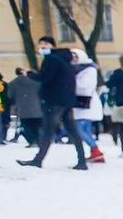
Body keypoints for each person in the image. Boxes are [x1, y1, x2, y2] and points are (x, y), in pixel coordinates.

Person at [18, 35, 87, 170]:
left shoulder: (51, 59)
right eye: (40, 44)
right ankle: (82, 161)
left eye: (45, 44)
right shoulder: (65, 60)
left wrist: (30, 74)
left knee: (48, 131)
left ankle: (38, 160)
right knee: (72, 131)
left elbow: (45, 77)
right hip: (66, 100)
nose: (42, 47)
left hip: (54, 100)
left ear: (52, 46)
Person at [70, 48, 106, 163]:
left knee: (79, 129)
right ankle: (94, 152)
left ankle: (96, 151)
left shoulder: (89, 68)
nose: (73, 58)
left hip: (86, 103)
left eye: (75, 56)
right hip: (79, 104)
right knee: (85, 130)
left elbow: (85, 85)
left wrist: (70, 82)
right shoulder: (72, 68)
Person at [7, 67, 43, 146]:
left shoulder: (13, 83)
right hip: (37, 107)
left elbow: (10, 95)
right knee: (37, 125)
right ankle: (39, 141)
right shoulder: (38, 81)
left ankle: (32, 141)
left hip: (22, 108)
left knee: (26, 125)